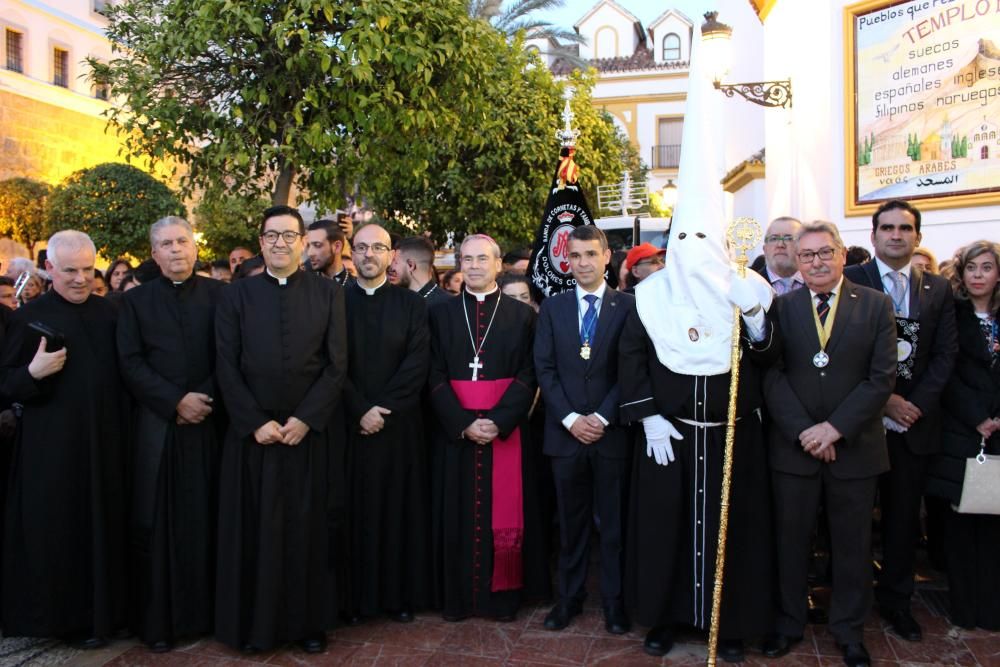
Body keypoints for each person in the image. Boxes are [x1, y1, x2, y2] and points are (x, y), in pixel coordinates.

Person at [618, 212, 778, 663]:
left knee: (735, 533)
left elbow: (771, 357)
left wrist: (753, 315)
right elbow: (631, 357)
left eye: (700, 236)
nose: (691, 245)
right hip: (670, 436)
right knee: (664, 530)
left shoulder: (749, 287)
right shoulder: (648, 297)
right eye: (682, 236)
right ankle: (665, 617)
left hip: (733, 437)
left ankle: (730, 624)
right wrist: (647, 416)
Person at [214, 205, 347, 653]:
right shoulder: (235, 297)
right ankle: (256, 628)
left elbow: (336, 365)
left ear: (304, 241)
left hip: (305, 436)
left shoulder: (329, 294)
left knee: (307, 533)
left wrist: (306, 419)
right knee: (254, 534)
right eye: (272, 236)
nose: (280, 244)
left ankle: (307, 626)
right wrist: (255, 422)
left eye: (290, 236)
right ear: (261, 240)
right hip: (255, 437)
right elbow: (226, 366)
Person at [763, 221, 897, 667]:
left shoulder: (876, 306)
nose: (817, 262)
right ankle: (788, 623)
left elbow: (881, 379)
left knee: (852, 547)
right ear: (797, 261)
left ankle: (849, 630)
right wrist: (806, 430)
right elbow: (772, 375)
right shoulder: (781, 307)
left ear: (842, 255)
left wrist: (833, 429)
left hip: (854, 449)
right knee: (791, 542)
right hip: (794, 449)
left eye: (825, 253)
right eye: (807, 255)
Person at [0, 230, 127, 647]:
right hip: (51, 450)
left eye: (89, 270)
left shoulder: (112, 313)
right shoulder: (25, 319)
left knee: (105, 527)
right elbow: (6, 385)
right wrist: (32, 374)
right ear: (49, 268)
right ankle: (65, 620)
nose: (80, 279)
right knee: (60, 531)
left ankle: (105, 615)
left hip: (106, 442)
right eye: (70, 270)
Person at [844, 199, 957, 642]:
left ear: (917, 237)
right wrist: (884, 400)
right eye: (887, 228)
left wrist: (912, 406)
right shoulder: (852, 279)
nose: (896, 235)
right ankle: (848, 603)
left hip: (914, 424)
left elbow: (945, 354)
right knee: (851, 521)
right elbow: (841, 353)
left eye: (905, 228)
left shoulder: (938, 289)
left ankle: (896, 601)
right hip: (861, 421)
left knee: (903, 520)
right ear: (872, 237)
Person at [117, 216, 227, 652]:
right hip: (159, 428)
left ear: (195, 247)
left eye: (183, 241)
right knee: (158, 527)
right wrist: (174, 401)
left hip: (213, 424)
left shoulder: (223, 296)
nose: (176, 249)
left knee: (212, 520)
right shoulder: (135, 303)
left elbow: (233, 355)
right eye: (166, 244)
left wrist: (203, 396)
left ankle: (212, 616)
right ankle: (163, 622)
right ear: (154, 252)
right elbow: (130, 361)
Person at [427, 234, 549, 622]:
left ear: (499, 264)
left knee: (506, 512)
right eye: (467, 259)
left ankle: (503, 597)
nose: (475, 265)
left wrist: (498, 420)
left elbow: (531, 374)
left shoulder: (522, 316)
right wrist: (463, 423)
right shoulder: (439, 314)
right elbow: (432, 373)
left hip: (505, 430)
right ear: (458, 264)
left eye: (483, 258)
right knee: (456, 514)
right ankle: (458, 598)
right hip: (456, 433)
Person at [534, 226, 635, 636]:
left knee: (613, 525)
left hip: (611, 435)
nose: (583, 263)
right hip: (566, 436)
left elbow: (631, 368)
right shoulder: (552, 308)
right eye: (575, 256)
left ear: (606, 256)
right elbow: (545, 368)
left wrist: (603, 417)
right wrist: (572, 419)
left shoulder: (628, 307)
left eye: (590, 254)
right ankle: (569, 599)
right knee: (570, 525)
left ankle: (614, 603)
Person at [342, 224, 431, 622]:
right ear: (352, 253)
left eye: (377, 247)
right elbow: (330, 364)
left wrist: (382, 410)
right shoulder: (334, 301)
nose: (368, 255)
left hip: (398, 428)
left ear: (391, 254)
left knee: (397, 512)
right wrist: (359, 408)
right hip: (349, 426)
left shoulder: (411, 305)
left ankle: (397, 598)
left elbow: (417, 363)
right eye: (360, 248)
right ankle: (356, 601)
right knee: (353, 513)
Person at [927, 240, 1000, 630]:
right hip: (961, 433)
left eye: (986, 268)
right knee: (960, 524)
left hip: (999, 433)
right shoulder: (952, 314)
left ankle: (991, 608)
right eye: (971, 268)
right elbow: (944, 368)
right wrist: (976, 417)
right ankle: (965, 608)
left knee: (993, 527)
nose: (978, 276)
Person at [389, 236, 451, 306]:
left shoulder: (447, 307)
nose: (390, 267)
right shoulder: (398, 302)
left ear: (410, 265)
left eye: (395, 262)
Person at [756, 217, 804, 295]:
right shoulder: (750, 284)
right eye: (774, 238)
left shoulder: (817, 283)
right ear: (765, 249)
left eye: (788, 238)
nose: (780, 245)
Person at [306, 219, 355, 287]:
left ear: (337, 247)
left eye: (317, 245)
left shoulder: (356, 288)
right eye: (308, 246)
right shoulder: (304, 285)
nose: (309, 253)